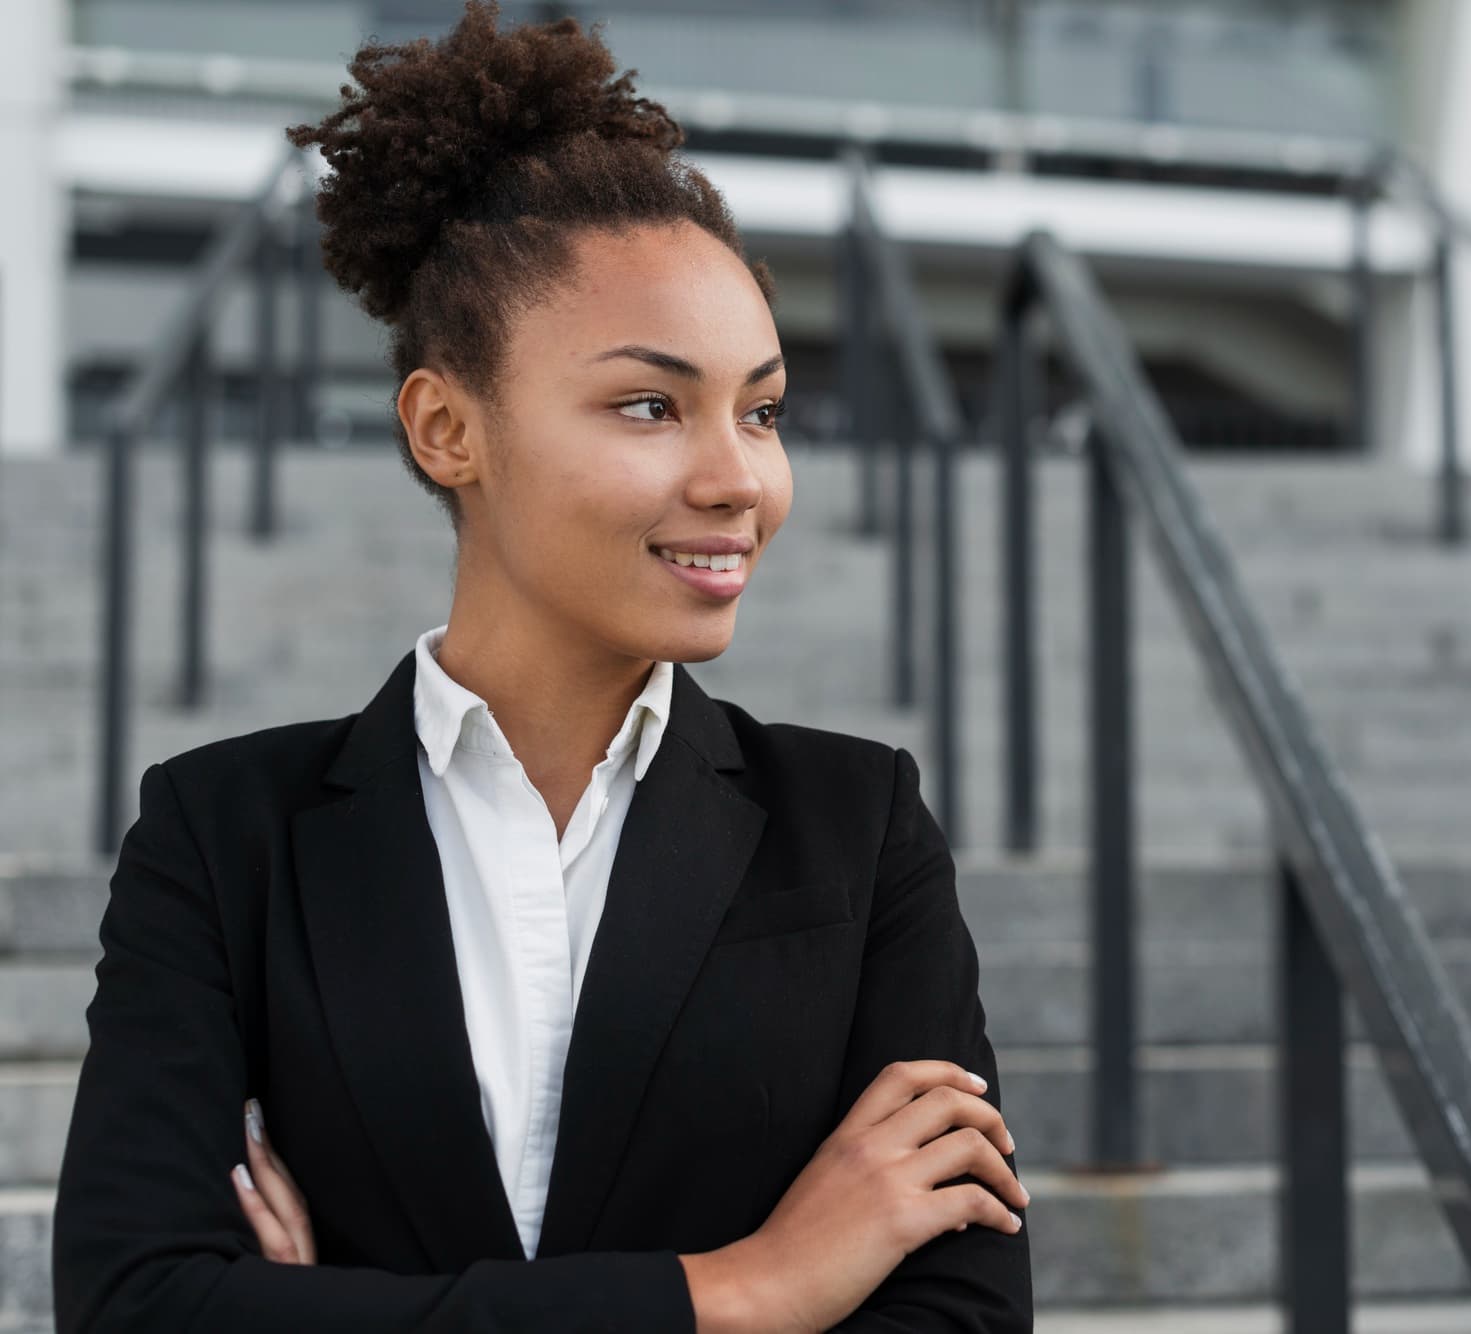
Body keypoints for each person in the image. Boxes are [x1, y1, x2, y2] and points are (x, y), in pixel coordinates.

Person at [48, 3, 1033, 1329]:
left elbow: (961, 1313)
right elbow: (136, 1306)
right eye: (650, 404)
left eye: (763, 409)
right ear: (448, 426)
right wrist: (751, 1288)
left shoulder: (857, 829)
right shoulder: (224, 836)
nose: (739, 476)